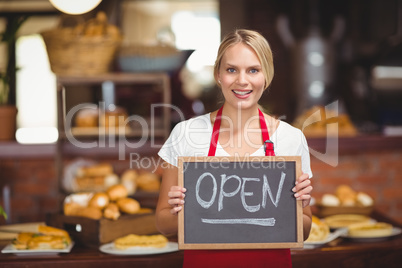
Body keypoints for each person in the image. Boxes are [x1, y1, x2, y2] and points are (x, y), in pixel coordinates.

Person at [155, 29, 313, 268]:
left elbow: (306, 228)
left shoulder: (291, 138)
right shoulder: (186, 134)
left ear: (266, 76)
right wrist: (181, 214)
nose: (242, 80)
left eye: (253, 70)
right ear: (218, 74)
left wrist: (297, 206)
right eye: (231, 70)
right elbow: (162, 223)